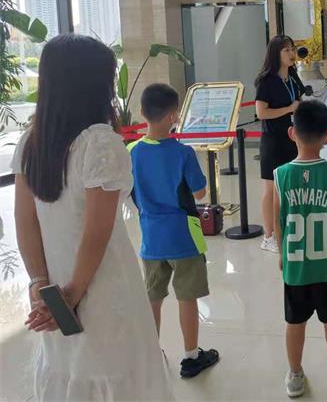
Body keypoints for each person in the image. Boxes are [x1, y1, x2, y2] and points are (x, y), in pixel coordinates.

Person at [12, 34, 173, 400]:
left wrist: (40, 283)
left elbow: (26, 222)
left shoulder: (32, 141)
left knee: (69, 373)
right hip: (101, 287)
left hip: (54, 288)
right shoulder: (99, 142)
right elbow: (97, 233)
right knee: (115, 375)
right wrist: (73, 293)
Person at [128, 83, 220, 377]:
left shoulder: (131, 151)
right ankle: (191, 356)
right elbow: (201, 192)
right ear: (174, 117)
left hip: (151, 238)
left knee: (153, 297)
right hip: (183, 237)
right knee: (186, 297)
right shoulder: (183, 153)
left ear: (142, 112)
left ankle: (152, 355)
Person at [273, 99, 327, 398]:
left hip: (296, 265)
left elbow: (278, 220)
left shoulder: (280, 174)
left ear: (291, 133)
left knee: (294, 321)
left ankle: (295, 376)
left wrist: (281, 253)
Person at [255, 35, 305, 253]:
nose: (292, 54)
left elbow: (299, 102)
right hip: (273, 140)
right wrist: (289, 109)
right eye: (286, 50)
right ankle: (269, 236)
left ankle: (288, 229)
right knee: (271, 188)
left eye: (292, 49)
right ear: (276, 54)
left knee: (290, 187)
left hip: (293, 139)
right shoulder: (267, 80)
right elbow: (261, 112)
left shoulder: (293, 78)